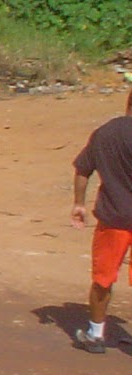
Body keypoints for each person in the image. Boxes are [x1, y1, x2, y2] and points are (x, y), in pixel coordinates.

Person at [67, 90, 132, 353]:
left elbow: (83, 170)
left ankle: (95, 335)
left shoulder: (106, 133)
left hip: (114, 218)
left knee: (103, 278)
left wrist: (79, 203)